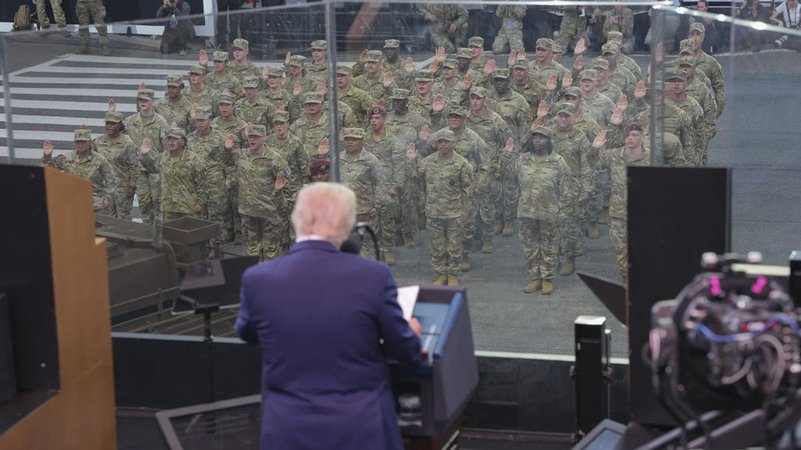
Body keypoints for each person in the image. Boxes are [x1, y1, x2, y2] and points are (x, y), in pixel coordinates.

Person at [235, 182, 422, 450]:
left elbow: (247, 331)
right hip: (360, 429)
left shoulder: (258, 279)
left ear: (296, 219)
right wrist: (412, 330)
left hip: (288, 430)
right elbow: (405, 351)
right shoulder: (373, 276)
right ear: (348, 227)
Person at [508, 127, 569, 295]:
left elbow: (566, 188)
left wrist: (562, 211)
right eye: (535, 137)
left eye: (542, 138)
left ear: (549, 141)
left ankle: (548, 279)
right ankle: (535, 278)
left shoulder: (557, 161)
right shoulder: (522, 160)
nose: (537, 140)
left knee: (549, 246)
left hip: (550, 212)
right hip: (527, 211)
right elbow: (510, 178)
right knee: (530, 247)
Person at [42, 128, 116, 214]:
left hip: (95, 204)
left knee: (95, 227)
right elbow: (51, 169)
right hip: (72, 202)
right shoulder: (67, 157)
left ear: (90, 142)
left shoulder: (99, 160)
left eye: (83, 142)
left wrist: (107, 198)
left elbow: (110, 180)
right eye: (78, 142)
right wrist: (47, 156)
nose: (80, 145)